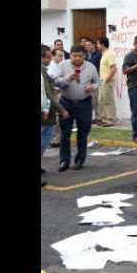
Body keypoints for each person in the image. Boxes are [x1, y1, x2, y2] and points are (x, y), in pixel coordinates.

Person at [54, 44, 100, 171]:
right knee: (65, 133)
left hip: (84, 104)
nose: (77, 58)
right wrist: (69, 78)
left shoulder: (90, 67)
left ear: (85, 55)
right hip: (66, 103)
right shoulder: (62, 65)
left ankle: (80, 160)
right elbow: (56, 81)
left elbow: (97, 81)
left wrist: (92, 87)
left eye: (80, 56)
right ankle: (64, 161)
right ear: (70, 55)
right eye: (75, 56)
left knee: (83, 133)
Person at [41, 45, 69, 183]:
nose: (50, 59)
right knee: (46, 136)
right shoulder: (42, 73)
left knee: (47, 135)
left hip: (45, 111)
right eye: (47, 57)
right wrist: (61, 110)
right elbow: (46, 94)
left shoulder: (44, 71)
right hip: (44, 112)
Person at [96, 37, 118, 127]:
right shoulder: (104, 53)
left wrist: (106, 80)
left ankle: (111, 120)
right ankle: (103, 119)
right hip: (103, 80)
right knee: (101, 100)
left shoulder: (109, 53)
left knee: (108, 100)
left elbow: (114, 68)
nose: (97, 45)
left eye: (98, 43)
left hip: (107, 81)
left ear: (103, 44)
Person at [84, 37, 102, 124]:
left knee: (97, 100)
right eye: (86, 45)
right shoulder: (86, 55)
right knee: (92, 101)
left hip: (95, 80)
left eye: (89, 45)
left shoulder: (98, 54)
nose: (87, 47)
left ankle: (99, 118)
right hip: (88, 81)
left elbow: (100, 68)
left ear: (93, 45)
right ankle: (96, 117)